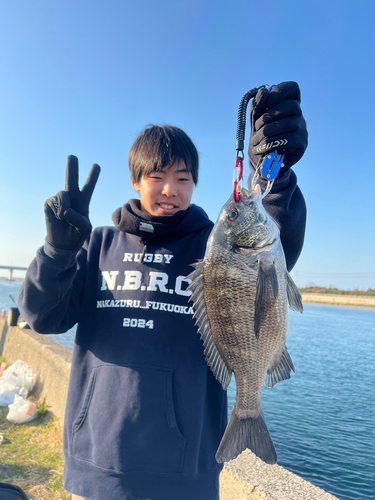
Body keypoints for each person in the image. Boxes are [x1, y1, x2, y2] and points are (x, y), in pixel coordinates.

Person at [18, 81, 308, 500]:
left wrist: (277, 174)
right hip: (97, 461)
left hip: (186, 471)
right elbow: (42, 317)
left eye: (183, 178)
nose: (170, 189)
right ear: (136, 180)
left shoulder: (214, 245)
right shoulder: (97, 244)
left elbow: (274, 243)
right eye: (157, 176)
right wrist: (57, 251)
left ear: (194, 183)